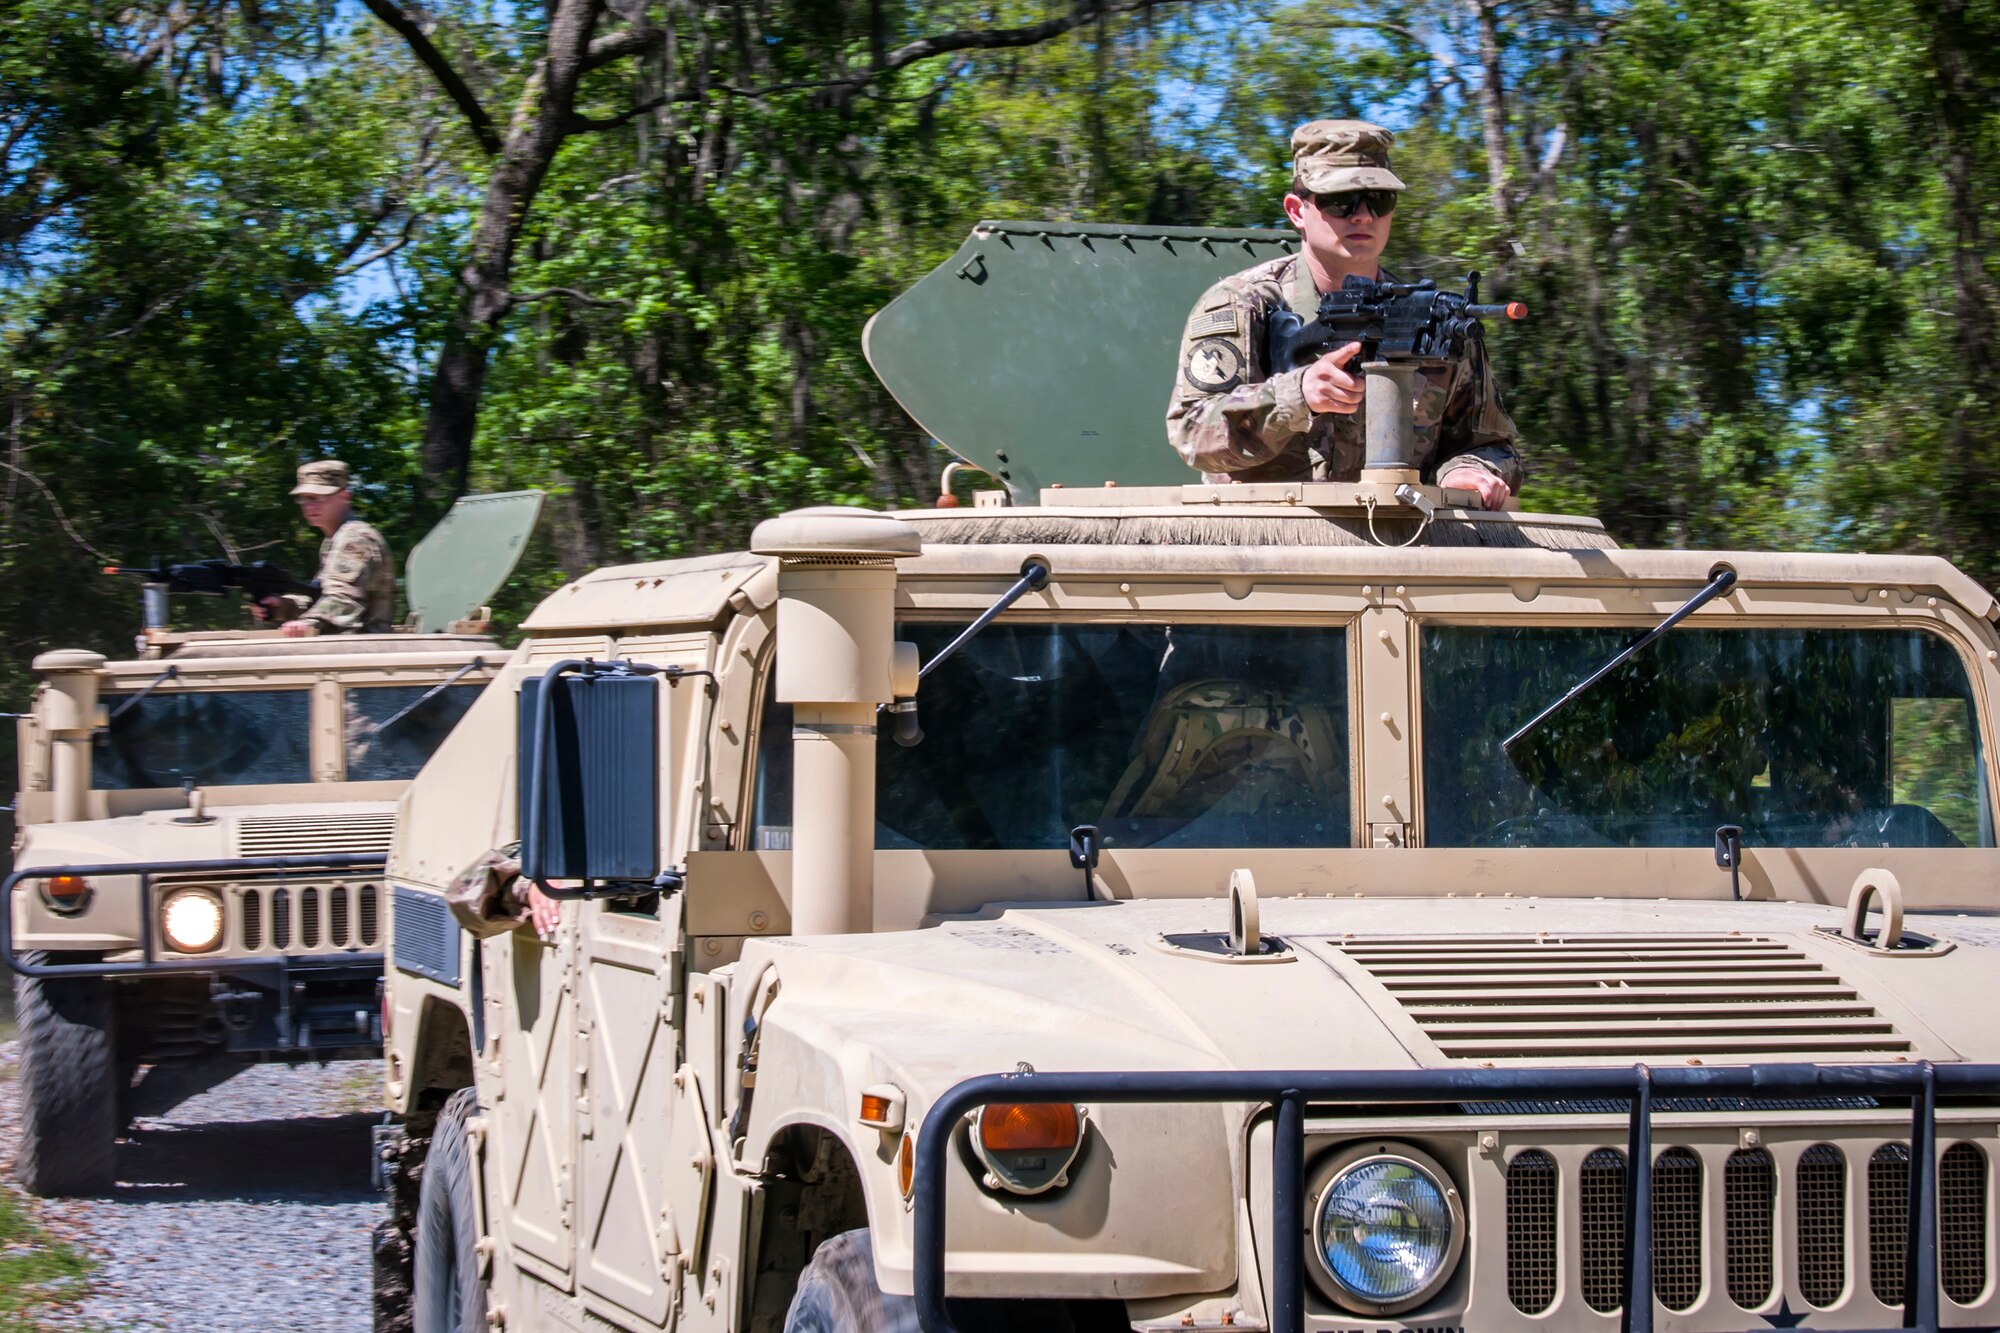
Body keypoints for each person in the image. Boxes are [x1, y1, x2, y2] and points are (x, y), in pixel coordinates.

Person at [1165, 119, 1523, 508]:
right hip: (1268, 540)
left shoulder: (1432, 319)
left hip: (1399, 545)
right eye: (1341, 201)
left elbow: (1492, 446)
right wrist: (1296, 394)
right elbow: (1193, 434)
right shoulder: (1245, 305)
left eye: (1379, 199)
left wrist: (1467, 470)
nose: (1363, 215)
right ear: (1297, 210)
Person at [254, 460, 396, 635]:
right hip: (348, 648)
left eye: (316, 498)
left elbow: (344, 598)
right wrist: (284, 605)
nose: (308, 506)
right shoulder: (335, 540)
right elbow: (323, 595)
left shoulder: (355, 538)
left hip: (362, 649)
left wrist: (310, 622)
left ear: (344, 497)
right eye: (303, 499)